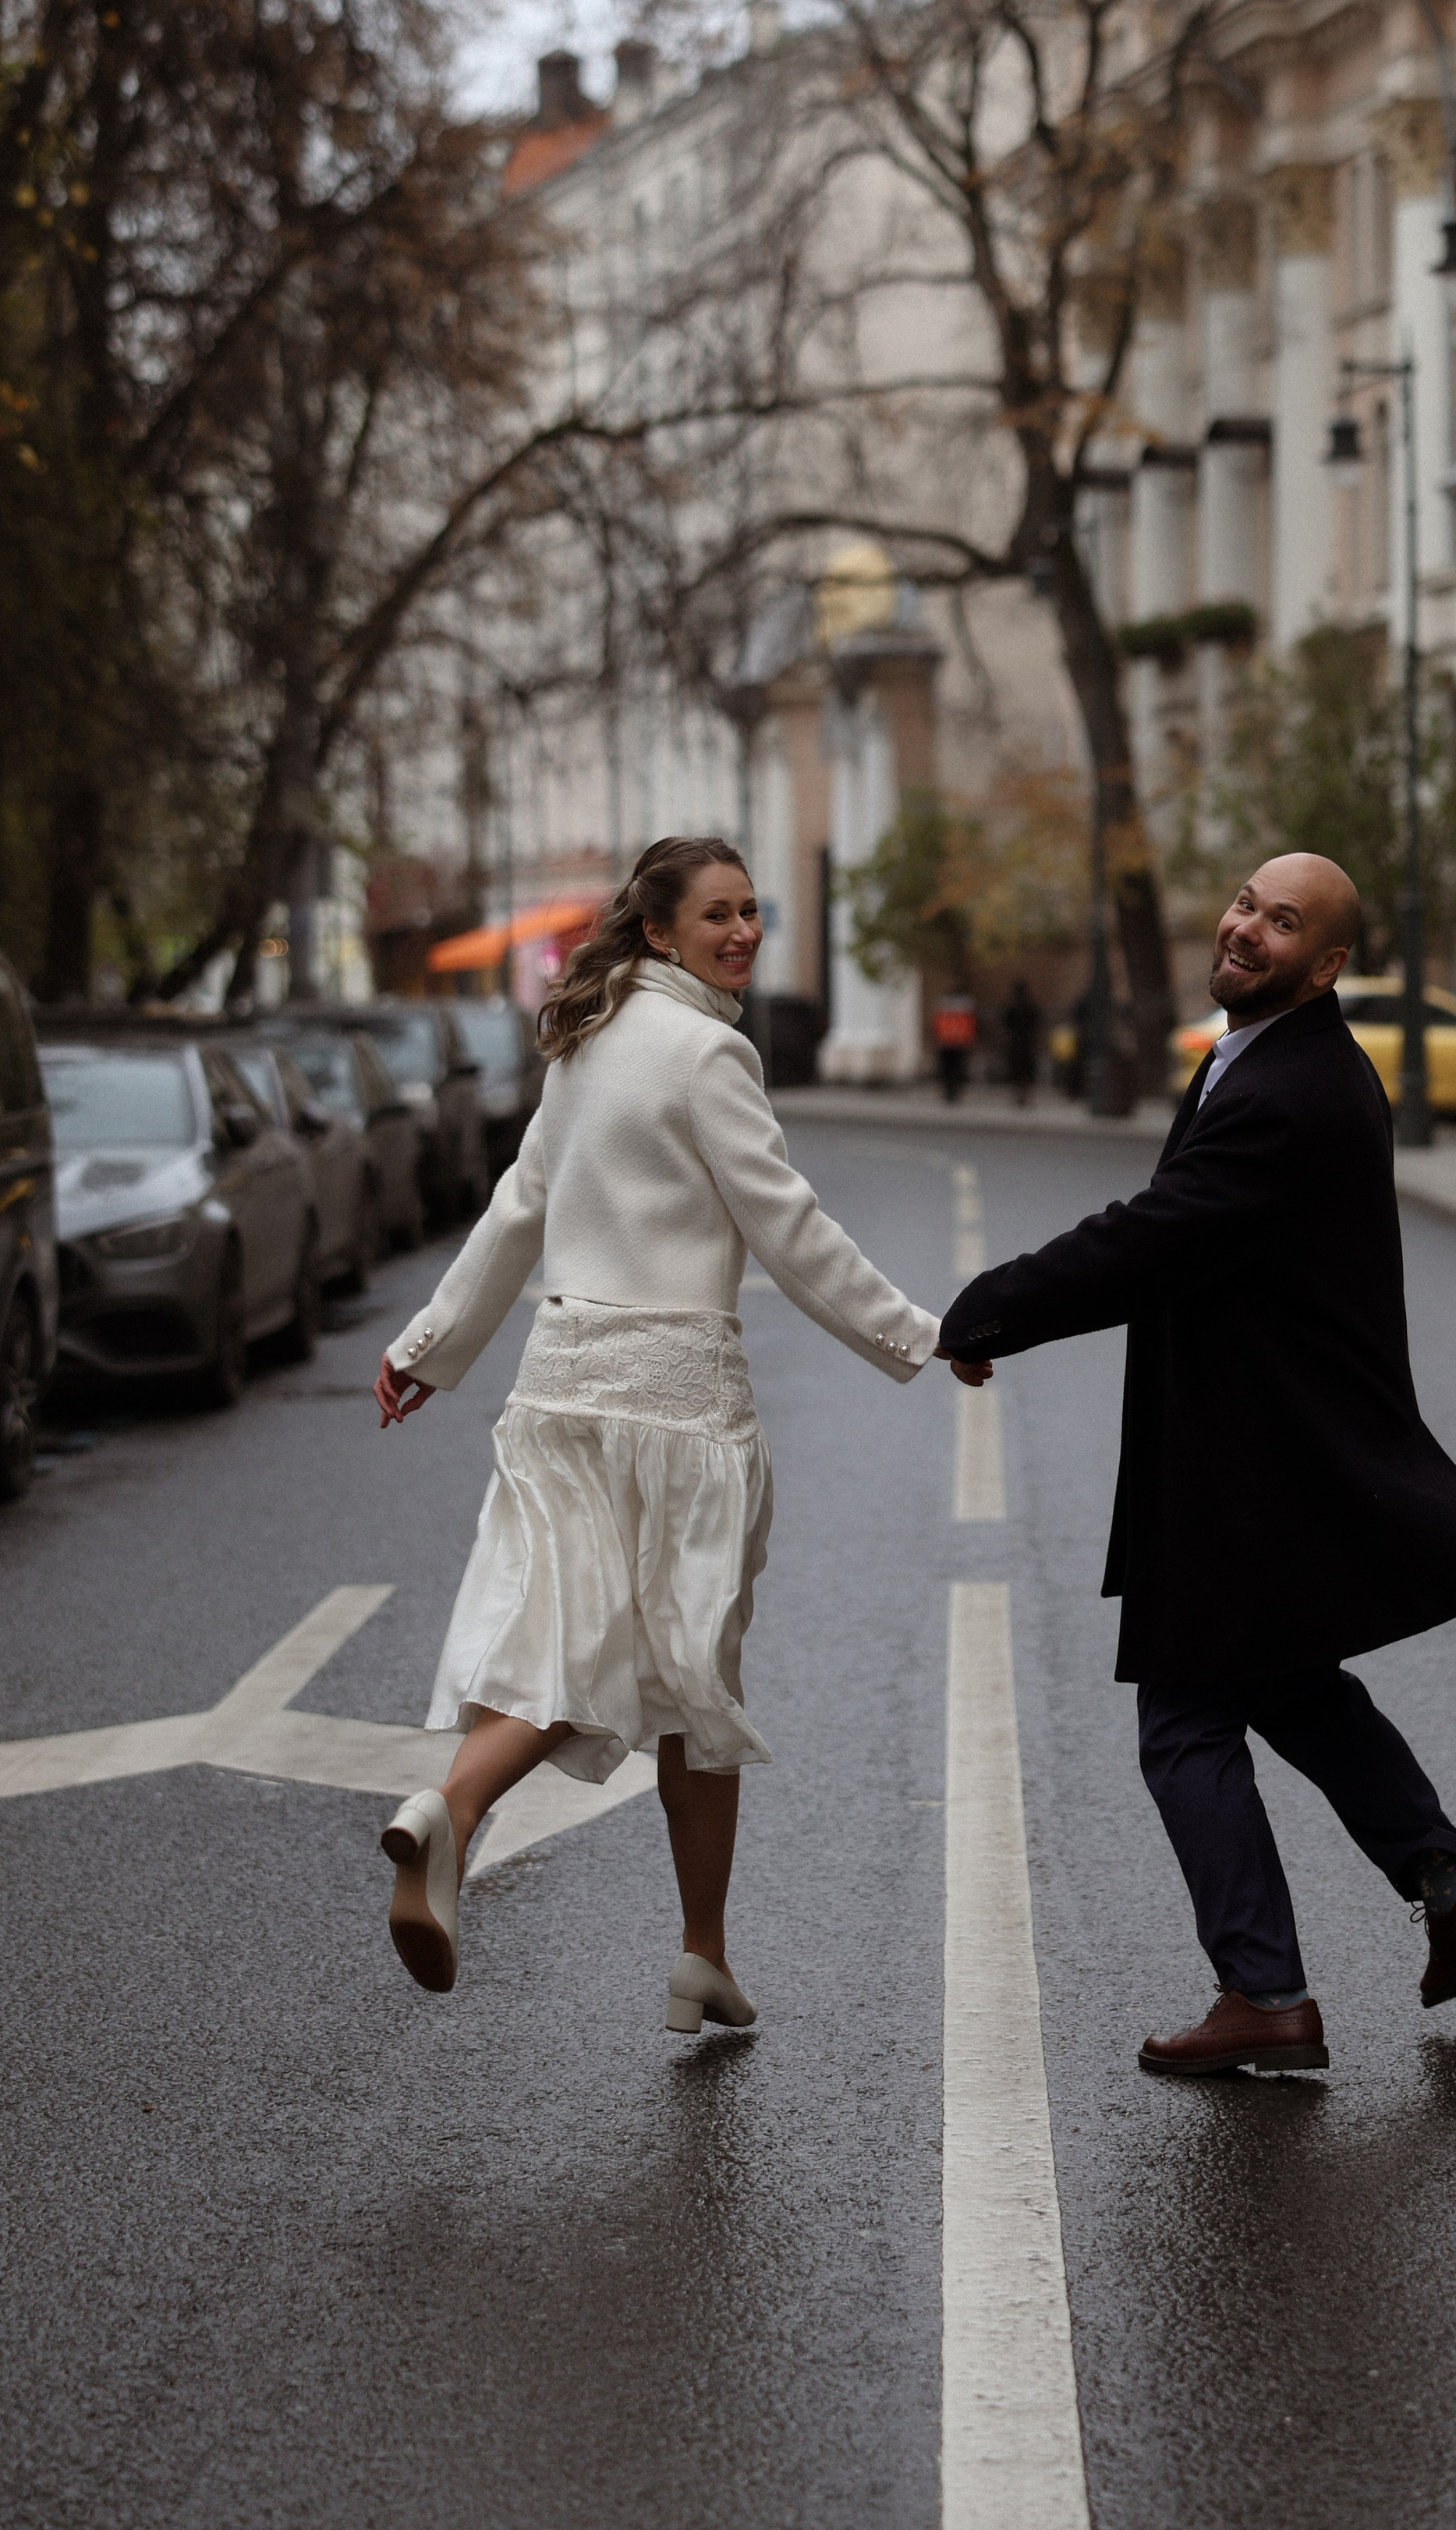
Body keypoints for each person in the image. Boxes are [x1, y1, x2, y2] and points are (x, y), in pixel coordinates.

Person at [937, 852, 1456, 2078]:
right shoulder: (1273, 1059)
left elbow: (1159, 1236)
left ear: (1327, 964)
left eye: (1283, 924)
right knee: (1289, 1684)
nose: (1247, 931)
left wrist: (993, 1306)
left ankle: (1264, 1992)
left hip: (1250, 1463)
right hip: (1273, 1449)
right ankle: (1449, 1887)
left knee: (1182, 1718)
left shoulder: (1294, 1087)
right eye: (1244, 906)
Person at [371, 836, 941, 2025]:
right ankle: (672, 1933)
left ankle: (482, 1829)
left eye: (752, 910)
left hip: (559, 1382)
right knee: (693, 1682)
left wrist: (428, 1346)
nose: (742, 932)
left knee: (561, 1642)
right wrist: (923, 1339)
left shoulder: (584, 1042)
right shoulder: (708, 1054)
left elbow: (518, 1209)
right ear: (660, 932)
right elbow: (791, 1230)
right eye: (718, 915)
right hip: (679, 1402)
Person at [930, 988, 977, 1106]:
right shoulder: (965, 1008)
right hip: (958, 1042)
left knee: (948, 1069)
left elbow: (938, 1026)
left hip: (947, 1042)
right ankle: (953, 1091)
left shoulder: (944, 1008)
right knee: (956, 1069)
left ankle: (951, 1091)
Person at [1001, 978, 1042, 1107]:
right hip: (1026, 1041)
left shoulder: (1013, 1006)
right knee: (1025, 1069)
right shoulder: (1030, 1006)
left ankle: (1020, 1095)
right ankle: (1023, 1095)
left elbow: (1004, 1024)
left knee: (1018, 1069)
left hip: (1017, 1042)